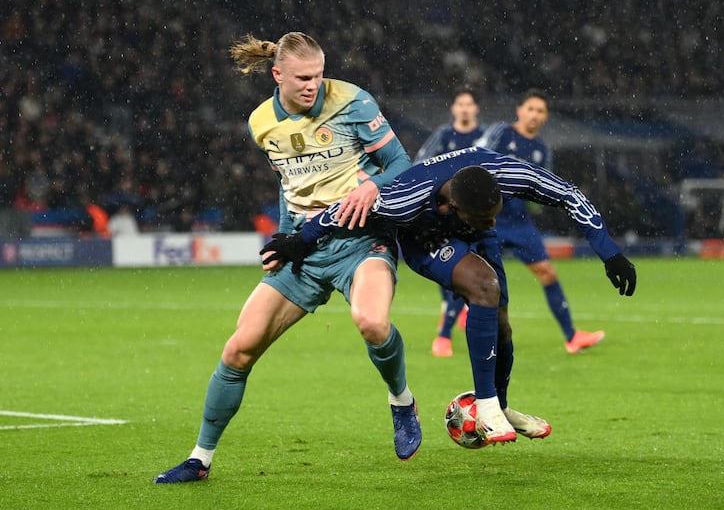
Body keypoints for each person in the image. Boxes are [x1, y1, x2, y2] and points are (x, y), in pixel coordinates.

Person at [154, 32, 421, 484]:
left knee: (372, 323)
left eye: (318, 75)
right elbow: (288, 183)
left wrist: (373, 186)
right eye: (302, 78)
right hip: (304, 246)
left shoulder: (354, 102)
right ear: (277, 74)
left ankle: (402, 401)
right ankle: (200, 459)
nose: (313, 85)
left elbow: (402, 165)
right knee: (239, 348)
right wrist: (282, 237)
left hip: (362, 240)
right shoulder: (261, 122)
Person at [262, 146, 637, 445]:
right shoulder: (404, 198)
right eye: (486, 218)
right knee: (484, 287)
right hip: (425, 239)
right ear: (452, 207)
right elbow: (342, 211)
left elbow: (567, 193)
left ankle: (499, 408)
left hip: (466, 233)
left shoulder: (504, 173)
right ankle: (487, 406)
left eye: (496, 216)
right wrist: (299, 239)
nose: (495, 225)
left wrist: (610, 252)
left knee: (502, 325)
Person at [465, 88, 607, 354]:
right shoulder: (501, 132)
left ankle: (572, 336)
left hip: (520, 224)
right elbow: (474, 158)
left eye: (540, 111)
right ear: (519, 110)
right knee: (477, 278)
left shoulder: (542, 149)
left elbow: (542, 186)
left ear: (546, 117)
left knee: (547, 273)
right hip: (488, 220)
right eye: (530, 108)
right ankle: (454, 331)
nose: (534, 115)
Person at [413, 89, 485, 357]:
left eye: (469, 103)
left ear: (476, 109)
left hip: (475, 214)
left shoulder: (485, 137)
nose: (465, 108)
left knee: (464, 270)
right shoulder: (444, 135)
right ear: (454, 108)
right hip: (447, 214)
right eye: (460, 103)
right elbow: (422, 163)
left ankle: (448, 330)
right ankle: (448, 329)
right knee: (456, 270)